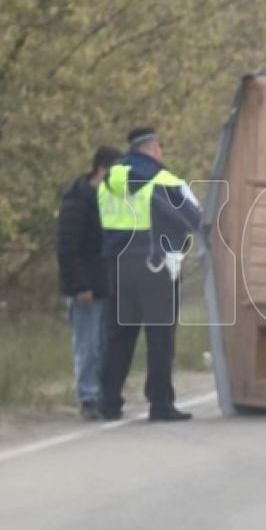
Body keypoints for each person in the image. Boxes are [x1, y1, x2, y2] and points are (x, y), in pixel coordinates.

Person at [97, 127, 202, 422]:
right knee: (160, 337)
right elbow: (196, 218)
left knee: (119, 336)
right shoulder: (164, 180)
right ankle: (160, 403)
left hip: (118, 264)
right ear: (154, 149)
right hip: (154, 264)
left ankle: (108, 401)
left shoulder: (107, 182)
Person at [57, 146, 121, 421]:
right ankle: (88, 397)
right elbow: (67, 249)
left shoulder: (108, 200)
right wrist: (80, 285)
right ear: (102, 170)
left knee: (104, 344)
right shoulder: (77, 202)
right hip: (86, 286)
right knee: (87, 344)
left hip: (105, 283)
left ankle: (103, 395)